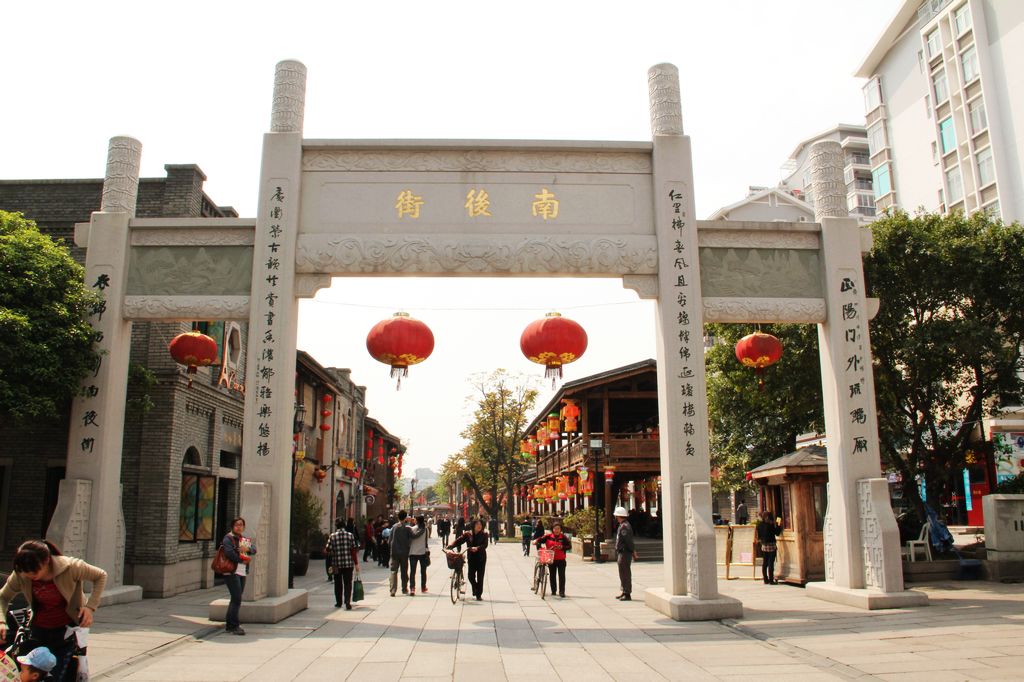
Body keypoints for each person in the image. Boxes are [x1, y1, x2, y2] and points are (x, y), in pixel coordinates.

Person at [0, 539, 107, 679]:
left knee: (56, 674)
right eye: (26, 572)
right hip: (38, 630)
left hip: (66, 632)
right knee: (30, 675)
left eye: (34, 570)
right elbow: (3, 597)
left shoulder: (70, 567)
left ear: (46, 560)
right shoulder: (21, 574)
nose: (30, 575)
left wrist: (90, 607)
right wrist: (1, 621)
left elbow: (100, 575)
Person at [219, 517, 255, 635]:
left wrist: (247, 548)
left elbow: (254, 549)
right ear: (232, 526)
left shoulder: (243, 539)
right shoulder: (228, 538)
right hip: (231, 572)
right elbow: (229, 553)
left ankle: (230, 624)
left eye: (241, 525)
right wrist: (241, 560)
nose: (239, 527)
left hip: (242, 572)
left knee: (236, 598)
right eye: (237, 525)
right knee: (237, 598)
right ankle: (233, 625)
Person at [448, 519, 488, 600]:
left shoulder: (484, 534)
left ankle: (478, 595)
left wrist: (477, 548)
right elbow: (459, 540)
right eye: (477, 524)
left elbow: (485, 545)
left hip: (481, 558)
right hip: (471, 557)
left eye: (480, 524)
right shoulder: (468, 534)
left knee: (480, 577)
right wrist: (451, 545)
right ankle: (476, 588)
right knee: (470, 576)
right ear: (473, 525)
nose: (479, 526)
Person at [325, 518, 359, 609]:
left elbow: (327, 549)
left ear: (336, 526)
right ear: (344, 525)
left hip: (336, 564)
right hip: (348, 564)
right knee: (348, 583)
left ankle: (338, 602)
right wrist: (356, 564)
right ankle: (347, 602)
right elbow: (353, 550)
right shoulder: (350, 535)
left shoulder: (332, 536)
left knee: (337, 583)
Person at [388, 511, 425, 596]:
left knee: (393, 571)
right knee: (404, 571)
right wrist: (422, 530)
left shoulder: (394, 527)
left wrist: (391, 549)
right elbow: (414, 536)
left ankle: (393, 590)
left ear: (398, 517)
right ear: (405, 518)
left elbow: (390, 540)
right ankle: (404, 589)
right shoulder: (407, 528)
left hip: (394, 552)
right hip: (404, 553)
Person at [535, 521, 571, 598]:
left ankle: (562, 592)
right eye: (555, 528)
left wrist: (562, 547)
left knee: (562, 576)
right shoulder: (548, 536)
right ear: (552, 529)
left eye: (558, 529)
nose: (557, 530)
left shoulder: (563, 537)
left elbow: (569, 546)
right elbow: (540, 539)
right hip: (551, 559)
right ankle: (553, 591)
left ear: (561, 529)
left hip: (561, 560)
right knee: (552, 575)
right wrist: (536, 541)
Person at [613, 506, 638, 601]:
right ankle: (624, 590)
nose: (616, 518)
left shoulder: (624, 527)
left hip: (625, 552)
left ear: (619, 516)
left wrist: (633, 551)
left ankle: (627, 593)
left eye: (616, 516)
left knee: (625, 572)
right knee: (622, 572)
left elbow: (628, 541)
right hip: (622, 552)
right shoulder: (623, 525)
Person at [756, 510, 783, 585]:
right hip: (771, 545)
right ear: (767, 517)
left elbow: (759, 536)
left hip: (764, 546)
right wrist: (778, 523)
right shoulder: (770, 525)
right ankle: (771, 580)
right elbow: (777, 533)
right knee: (771, 562)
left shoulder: (759, 525)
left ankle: (765, 579)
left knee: (765, 563)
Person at [408, 515, 429, 595]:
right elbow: (426, 541)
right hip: (422, 552)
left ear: (416, 521)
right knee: (423, 571)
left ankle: (412, 588)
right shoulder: (425, 529)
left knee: (412, 571)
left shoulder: (412, 529)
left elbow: (409, 540)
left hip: (412, 552)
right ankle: (423, 587)